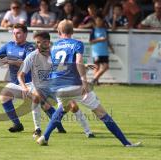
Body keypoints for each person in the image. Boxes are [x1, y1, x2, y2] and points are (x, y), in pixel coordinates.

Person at [36, 19, 141, 147]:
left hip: (57, 86)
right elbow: (78, 63)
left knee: (63, 108)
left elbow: (58, 66)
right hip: (74, 85)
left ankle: (45, 137)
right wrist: (84, 81)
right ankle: (126, 143)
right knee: (102, 113)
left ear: (58, 32)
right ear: (73, 31)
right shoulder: (77, 43)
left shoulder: (54, 47)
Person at [18, 31, 95, 138]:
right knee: (36, 97)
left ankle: (88, 132)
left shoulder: (55, 53)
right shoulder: (32, 56)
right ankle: (37, 129)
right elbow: (20, 75)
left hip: (56, 87)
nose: (38, 45)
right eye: (37, 42)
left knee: (73, 106)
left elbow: (67, 67)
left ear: (48, 42)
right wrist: (24, 87)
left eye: (40, 42)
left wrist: (84, 66)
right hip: (40, 88)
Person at [0, 24, 34, 132]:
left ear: (25, 34)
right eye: (14, 33)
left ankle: (56, 123)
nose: (15, 35)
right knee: (4, 96)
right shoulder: (9, 45)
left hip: (30, 83)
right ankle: (17, 124)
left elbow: (27, 64)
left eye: (18, 33)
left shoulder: (30, 47)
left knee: (42, 103)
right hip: (15, 83)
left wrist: (10, 61)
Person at [90, 15, 114, 85]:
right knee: (97, 67)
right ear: (95, 21)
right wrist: (99, 39)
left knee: (106, 67)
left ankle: (94, 80)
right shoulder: (93, 30)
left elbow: (107, 40)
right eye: (98, 20)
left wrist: (111, 48)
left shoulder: (105, 30)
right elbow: (91, 41)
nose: (99, 22)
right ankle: (95, 81)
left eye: (100, 20)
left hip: (104, 52)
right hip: (96, 52)